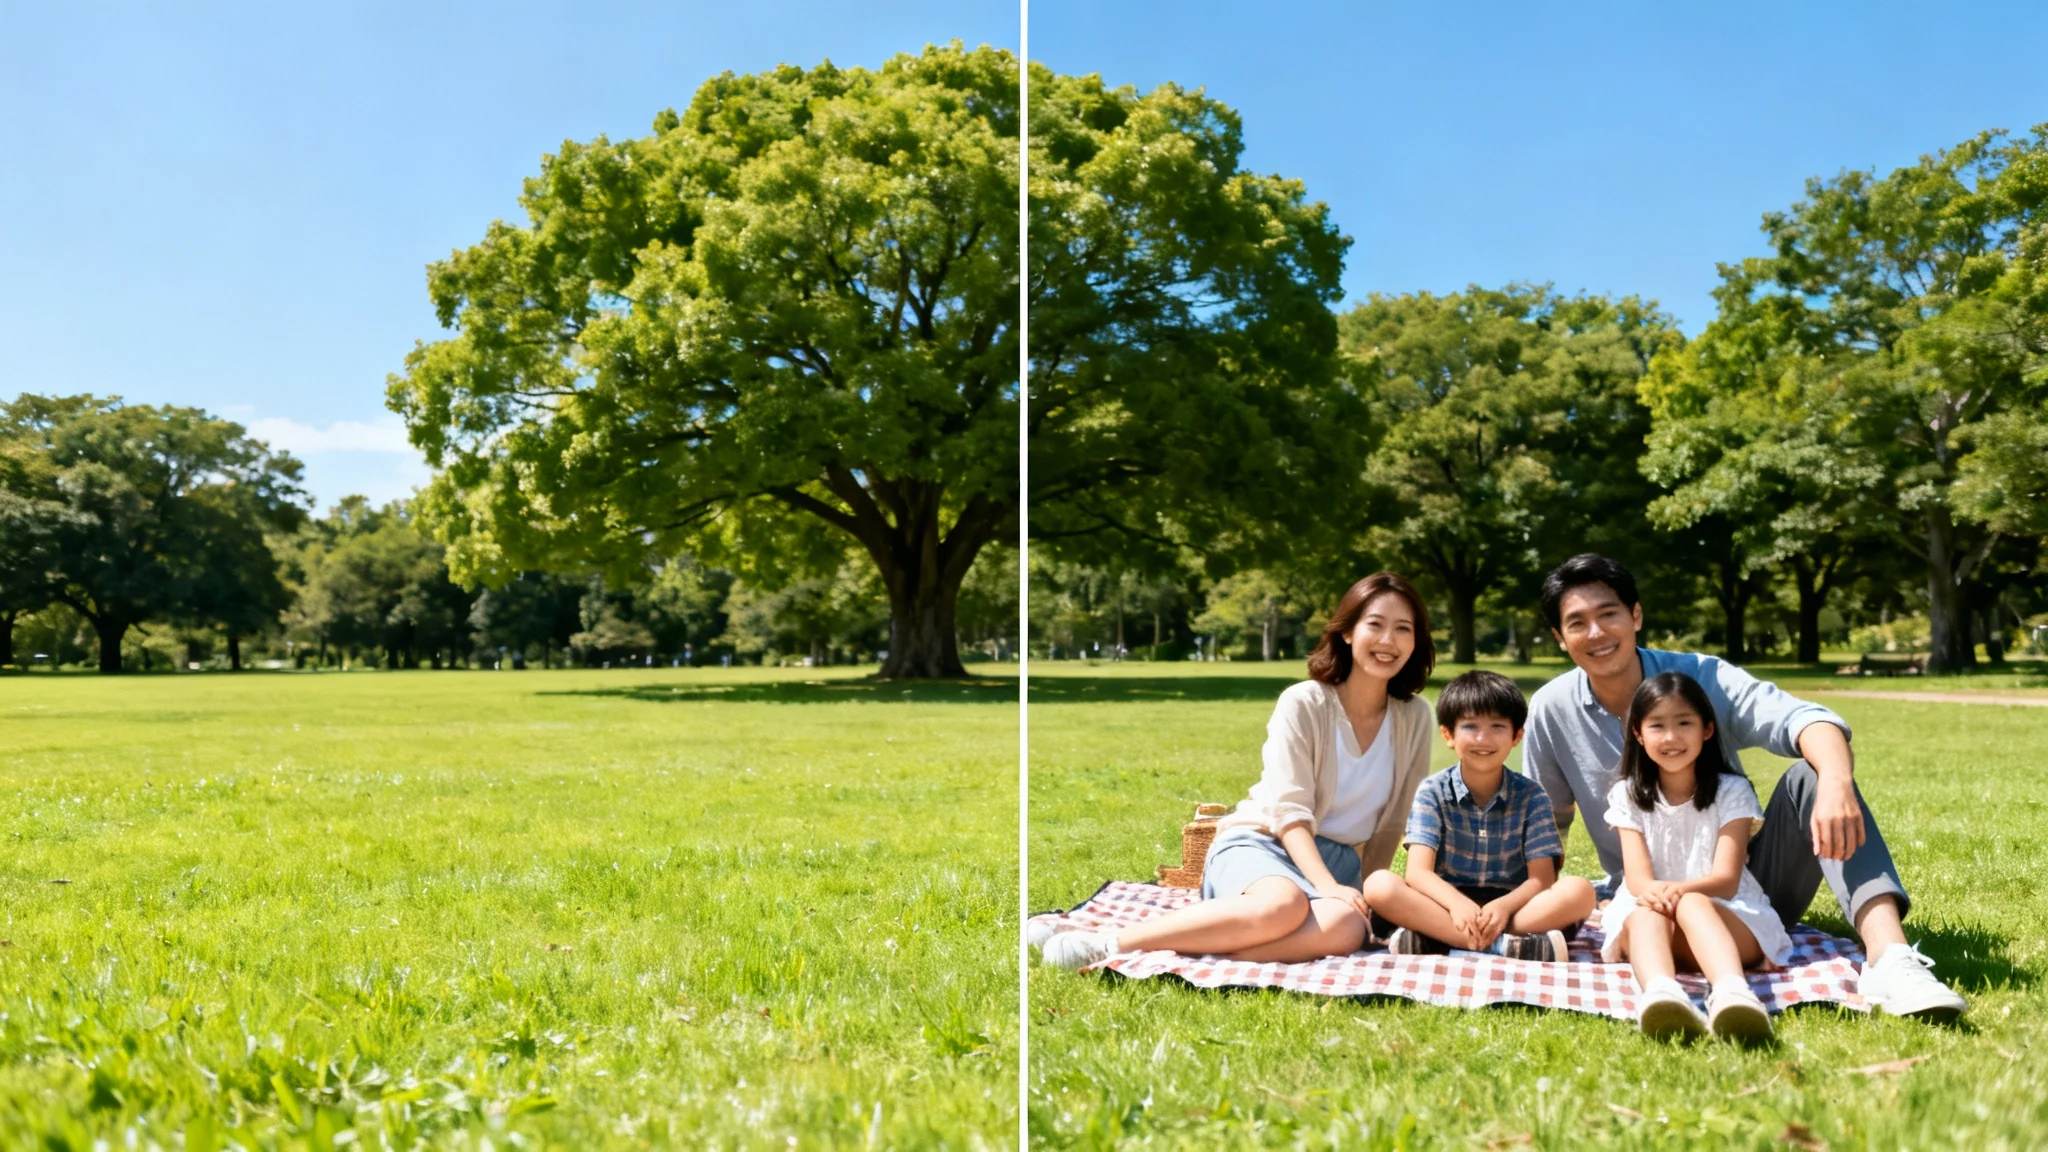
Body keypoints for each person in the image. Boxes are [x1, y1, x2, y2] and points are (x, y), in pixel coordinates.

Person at [1523, 554, 1966, 1021]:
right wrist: (1531, 909)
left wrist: (1837, 784)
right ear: (1560, 637)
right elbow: (1543, 825)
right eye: (1577, 623)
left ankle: (1890, 959)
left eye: (1608, 613)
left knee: (1813, 777)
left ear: (1635, 615)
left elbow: (1805, 719)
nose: (1596, 633)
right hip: (1648, 899)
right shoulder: (1552, 708)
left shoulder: (1701, 677)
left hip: (1744, 883)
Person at [1039, 573, 1438, 969]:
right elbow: (1290, 813)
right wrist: (1327, 886)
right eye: (1375, 625)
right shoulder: (1303, 703)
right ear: (1348, 632)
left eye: (1403, 629)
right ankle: (1108, 943)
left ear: (1416, 640)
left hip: (1340, 863)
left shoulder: (1415, 717)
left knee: (1346, 929)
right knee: (1283, 905)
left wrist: (1365, 894)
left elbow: (1394, 822)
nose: (1388, 641)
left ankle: (1197, 950)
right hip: (1263, 844)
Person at [1362, 670, 1596, 962]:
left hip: (1513, 909)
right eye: (1470, 726)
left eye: (1497, 726)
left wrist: (1503, 907)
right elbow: (1418, 873)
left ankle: (1438, 940)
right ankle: (1503, 946)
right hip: (1444, 905)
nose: (1483, 738)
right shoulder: (1432, 791)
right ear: (1448, 735)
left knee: (1580, 891)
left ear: (1516, 735)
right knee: (1379, 885)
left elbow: (1542, 879)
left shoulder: (1532, 796)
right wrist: (1457, 904)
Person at [1602, 672, 1786, 1040]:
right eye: (1657, 725)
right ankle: (1662, 995)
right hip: (1657, 930)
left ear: (1707, 730)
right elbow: (1638, 881)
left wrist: (1680, 894)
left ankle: (1732, 993)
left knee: (1692, 903)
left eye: (1684, 723)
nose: (1671, 737)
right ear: (1638, 734)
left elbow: (1726, 881)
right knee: (1646, 911)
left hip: (1729, 923)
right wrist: (1661, 898)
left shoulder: (1732, 791)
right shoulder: (1627, 794)